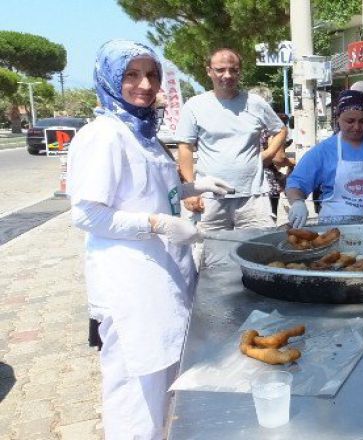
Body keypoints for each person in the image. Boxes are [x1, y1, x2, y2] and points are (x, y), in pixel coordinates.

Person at [66, 40, 231, 439]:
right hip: (132, 285)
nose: (145, 84)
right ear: (109, 78)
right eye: (131, 74)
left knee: (164, 390)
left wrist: (193, 186)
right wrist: (158, 225)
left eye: (152, 74)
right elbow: (87, 213)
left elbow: (152, 189)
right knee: (137, 398)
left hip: (166, 278)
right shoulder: (104, 134)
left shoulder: (141, 129)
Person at [176, 48, 288, 231]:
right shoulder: (194, 106)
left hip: (253, 197)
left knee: (261, 252)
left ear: (239, 72)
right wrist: (190, 190)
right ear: (209, 71)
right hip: (210, 198)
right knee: (212, 255)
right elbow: (185, 148)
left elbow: (280, 130)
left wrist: (267, 154)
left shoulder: (256, 103)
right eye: (220, 70)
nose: (227, 75)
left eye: (233, 70)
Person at [286, 90, 363, 226]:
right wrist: (297, 202)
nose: (357, 127)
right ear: (338, 118)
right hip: (335, 226)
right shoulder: (323, 151)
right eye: (350, 121)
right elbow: (296, 184)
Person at [248, 86, 294, 222]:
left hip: (244, 181)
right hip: (266, 182)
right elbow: (279, 159)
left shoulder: (242, 123)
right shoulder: (270, 126)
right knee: (266, 225)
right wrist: (293, 163)